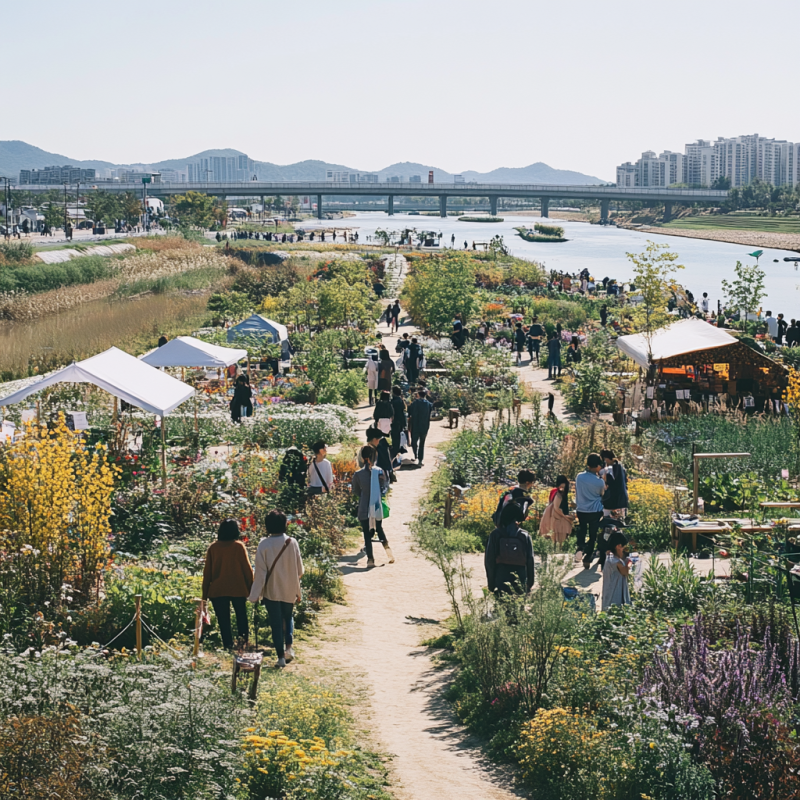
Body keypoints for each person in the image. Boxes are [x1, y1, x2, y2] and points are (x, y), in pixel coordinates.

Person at [248, 511, 304, 668]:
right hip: (289, 588)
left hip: (271, 590)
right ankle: (289, 648)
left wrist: (254, 595)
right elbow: (300, 570)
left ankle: (280, 658)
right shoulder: (292, 542)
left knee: (276, 623)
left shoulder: (264, 545)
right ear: (285, 524)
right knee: (288, 616)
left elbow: (260, 573)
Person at [202, 519, 254, 650]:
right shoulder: (238, 547)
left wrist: (204, 596)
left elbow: (207, 574)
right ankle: (243, 642)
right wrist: (252, 588)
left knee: (223, 619)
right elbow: (247, 570)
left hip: (218, 589)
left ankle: (228, 645)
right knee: (241, 616)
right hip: (238, 588)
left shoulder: (213, 548)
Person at [351, 445, 394, 567]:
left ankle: (370, 559)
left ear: (362, 458)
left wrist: (364, 495)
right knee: (379, 529)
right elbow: (384, 488)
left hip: (364, 506)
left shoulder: (358, 474)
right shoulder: (379, 471)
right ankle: (389, 554)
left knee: (366, 533)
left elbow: (355, 491)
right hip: (376, 506)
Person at [484, 500, 535, 596]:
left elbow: (489, 560)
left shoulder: (495, 534)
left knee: (501, 604)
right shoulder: (524, 535)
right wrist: (529, 583)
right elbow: (530, 560)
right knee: (519, 604)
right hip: (520, 577)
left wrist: (491, 583)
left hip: (501, 577)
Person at [575, 453, 607, 569]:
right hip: (595, 511)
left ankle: (581, 547)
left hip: (581, 509)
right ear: (598, 466)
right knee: (593, 535)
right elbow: (602, 494)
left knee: (582, 530)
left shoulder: (579, 477)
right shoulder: (599, 482)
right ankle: (588, 557)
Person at [539, 475, 575, 545]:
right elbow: (556, 507)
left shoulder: (555, 491)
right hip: (558, 516)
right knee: (559, 535)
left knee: (556, 536)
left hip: (555, 516)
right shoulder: (558, 493)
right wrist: (566, 517)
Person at [601, 539, 631, 611]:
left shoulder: (609, 557)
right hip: (614, 594)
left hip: (608, 591)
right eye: (623, 547)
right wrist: (629, 563)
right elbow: (625, 572)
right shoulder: (615, 561)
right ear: (618, 546)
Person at [408, 388, 432, 467]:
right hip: (424, 426)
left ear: (418, 395)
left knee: (414, 442)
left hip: (415, 425)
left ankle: (416, 455)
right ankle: (420, 460)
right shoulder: (429, 404)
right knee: (422, 443)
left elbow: (409, 412)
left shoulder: (414, 403)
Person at [601, 449, 629, 518]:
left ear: (606, 459)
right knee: (620, 521)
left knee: (608, 521)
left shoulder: (609, 469)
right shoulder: (621, 467)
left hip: (611, 501)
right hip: (622, 500)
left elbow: (606, 483)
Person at [390, 386, 407, 457]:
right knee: (399, 437)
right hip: (401, 421)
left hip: (394, 421)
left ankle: (395, 452)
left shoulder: (392, 401)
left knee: (394, 438)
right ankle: (398, 451)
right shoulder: (401, 400)